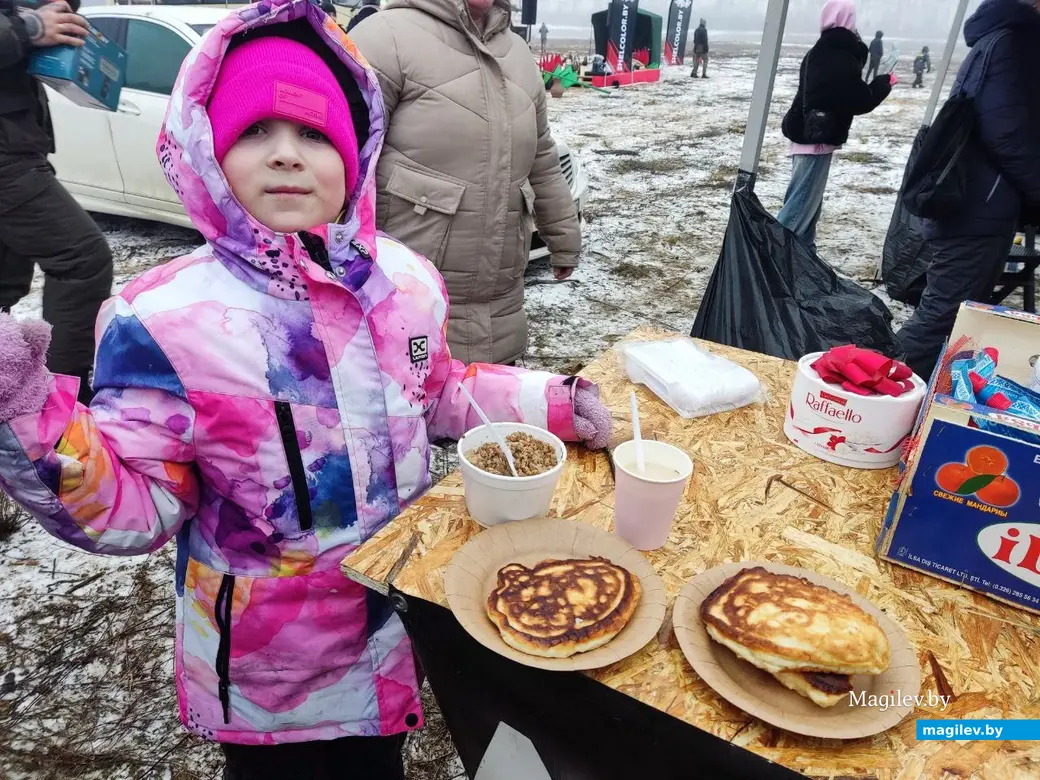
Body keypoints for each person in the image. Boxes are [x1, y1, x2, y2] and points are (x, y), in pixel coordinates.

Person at [0, 1, 612, 778]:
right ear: (205, 149)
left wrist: (553, 405)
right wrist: (25, 410)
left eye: (315, 134)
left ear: (357, 153)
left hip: (389, 641)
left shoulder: (405, 284)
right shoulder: (164, 321)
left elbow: (440, 392)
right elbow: (133, 507)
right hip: (272, 684)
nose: (286, 155)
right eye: (256, 131)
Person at [351, 0, 581, 366]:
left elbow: (541, 158)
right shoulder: (383, 39)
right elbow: (338, 166)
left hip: (501, 310)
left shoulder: (518, 53)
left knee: (492, 397)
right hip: (404, 310)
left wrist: (564, 237)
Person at [897, 0, 1040, 379]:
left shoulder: (1000, 37)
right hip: (977, 205)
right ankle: (871, 392)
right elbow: (1009, 133)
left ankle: (918, 395)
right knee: (942, 318)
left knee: (956, 316)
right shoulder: (1014, 42)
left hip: (976, 202)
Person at [0, 0, 113, 405]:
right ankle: (61, 405)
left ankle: (19, 403)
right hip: (7, 157)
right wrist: (30, 27)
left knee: (5, 282)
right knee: (82, 260)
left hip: (18, 144)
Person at [777, 0, 892, 250]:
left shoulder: (821, 50)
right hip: (816, 141)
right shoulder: (840, 56)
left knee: (807, 209)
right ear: (849, 21)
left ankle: (803, 259)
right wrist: (882, 85)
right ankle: (769, 256)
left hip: (806, 136)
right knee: (799, 210)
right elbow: (858, 100)